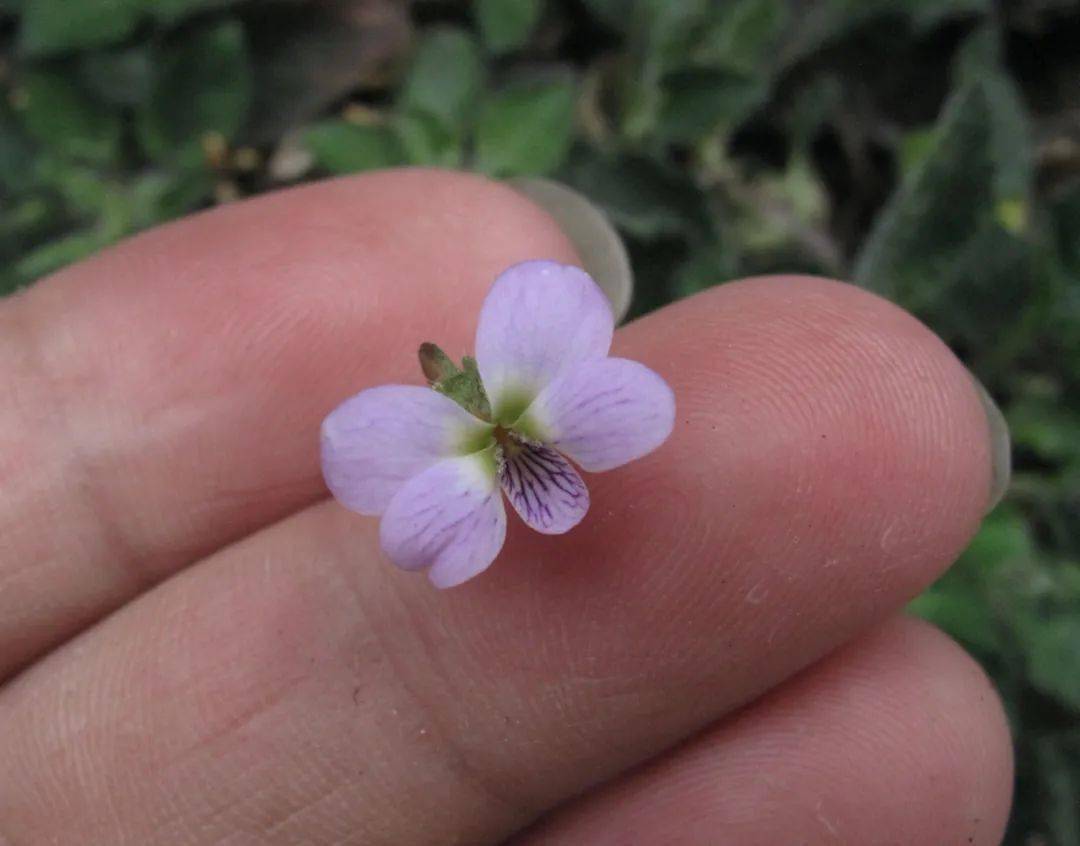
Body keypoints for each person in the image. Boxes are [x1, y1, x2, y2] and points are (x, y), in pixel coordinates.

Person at [0, 169, 1013, 844]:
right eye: (499, 433)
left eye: (508, 432)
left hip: (506, 427)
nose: (514, 442)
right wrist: (497, 445)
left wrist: (505, 441)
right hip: (484, 440)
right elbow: (408, 473)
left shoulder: (530, 408)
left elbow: (622, 412)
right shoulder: (460, 447)